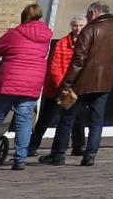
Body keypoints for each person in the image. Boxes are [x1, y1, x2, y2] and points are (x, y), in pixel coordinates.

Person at [0, 3, 56, 170]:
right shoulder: (46, 36)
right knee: (24, 121)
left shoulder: (14, 34)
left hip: (10, 81)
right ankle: (20, 158)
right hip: (32, 81)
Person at [47, 0, 113, 165]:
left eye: (88, 15)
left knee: (66, 117)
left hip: (82, 83)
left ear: (93, 13)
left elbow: (78, 61)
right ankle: (90, 155)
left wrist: (66, 84)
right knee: (96, 120)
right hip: (104, 82)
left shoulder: (90, 29)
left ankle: (58, 154)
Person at [27, 16, 84, 158]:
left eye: (81, 26)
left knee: (77, 118)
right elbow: (55, 67)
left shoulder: (86, 44)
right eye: (75, 25)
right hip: (57, 88)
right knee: (46, 117)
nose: (78, 29)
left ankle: (78, 146)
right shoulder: (62, 43)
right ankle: (32, 146)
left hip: (75, 88)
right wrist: (63, 87)